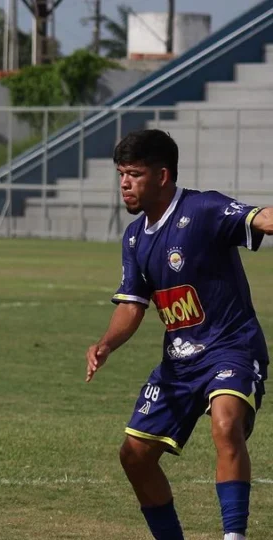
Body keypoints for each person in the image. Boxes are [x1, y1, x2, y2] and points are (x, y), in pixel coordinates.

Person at [86, 129, 272, 540]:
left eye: (134, 174)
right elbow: (132, 305)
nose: (124, 183)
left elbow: (263, 219)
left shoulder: (203, 208)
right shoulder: (135, 238)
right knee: (135, 456)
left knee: (225, 424)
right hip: (180, 364)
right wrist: (106, 343)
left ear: (162, 176)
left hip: (232, 348)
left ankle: (234, 536)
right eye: (121, 174)